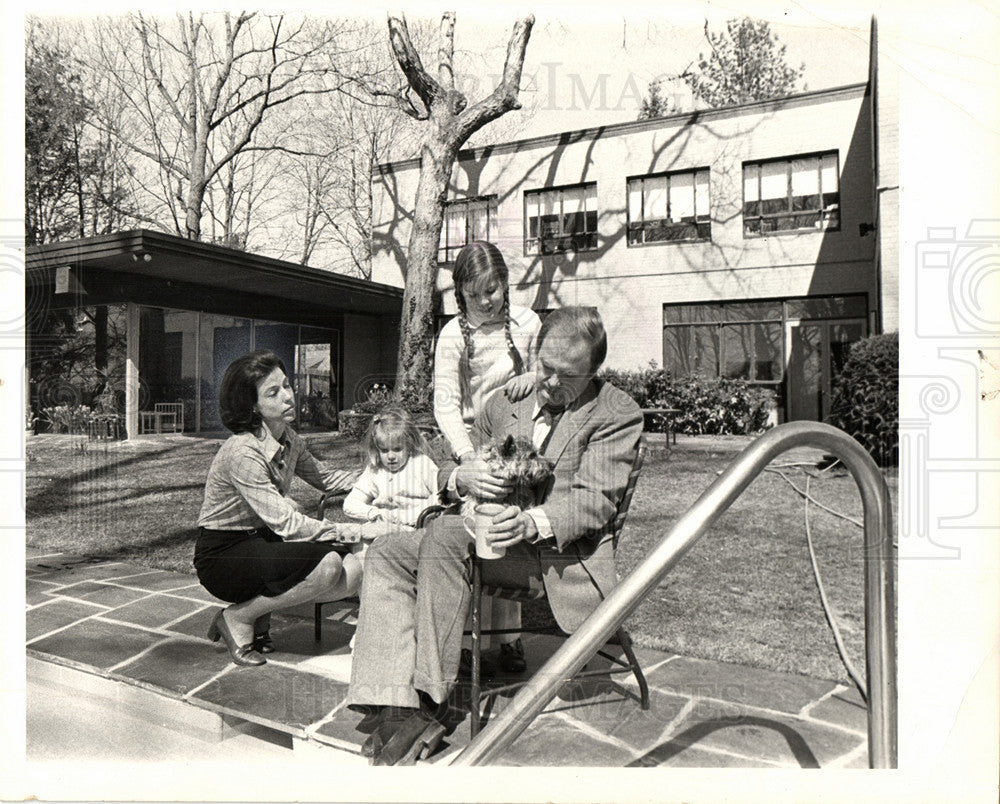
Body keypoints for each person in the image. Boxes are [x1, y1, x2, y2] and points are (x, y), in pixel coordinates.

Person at [347, 307, 643, 765]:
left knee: (444, 538)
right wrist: (462, 478)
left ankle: (428, 702)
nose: (549, 383)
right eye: (544, 367)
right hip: (482, 537)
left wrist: (530, 522)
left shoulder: (615, 412)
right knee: (387, 550)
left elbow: (594, 502)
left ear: (594, 372)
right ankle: (392, 696)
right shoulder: (508, 400)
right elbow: (445, 464)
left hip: (555, 558)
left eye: (567, 376)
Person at [194, 350, 362, 667]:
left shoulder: (288, 438)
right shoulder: (243, 450)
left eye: (286, 385)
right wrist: (353, 530)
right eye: (274, 392)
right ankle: (239, 618)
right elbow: (286, 523)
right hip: (223, 554)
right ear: (252, 406)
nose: (288, 396)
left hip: (261, 544)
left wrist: (386, 478)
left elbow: (326, 478)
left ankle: (259, 615)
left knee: (352, 572)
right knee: (327, 565)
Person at [433, 240, 541, 675]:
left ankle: (509, 638)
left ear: (505, 283)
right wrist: (466, 460)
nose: (484, 301)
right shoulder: (452, 336)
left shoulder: (528, 323)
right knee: (469, 535)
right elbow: (446, 403)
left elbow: (551, 375)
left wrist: (533, 375)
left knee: (505, 530)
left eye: (492, 290)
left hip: (516, 442)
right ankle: (463, 639)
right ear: (460, 293)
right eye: (473, 294)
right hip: (471, 444)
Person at [338, 407, 441, 563]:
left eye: (398, 449)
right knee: (355, 542)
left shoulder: (421, 464)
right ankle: (365, 581)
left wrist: (406, 516)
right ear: (376, 449)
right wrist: (374, 513)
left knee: (381, 547)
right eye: (384, 450)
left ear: (409, 445)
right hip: (382, 526)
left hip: (415, 529)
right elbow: (350, 504)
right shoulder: (376, 469)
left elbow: (441, 496)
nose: (391, 456)